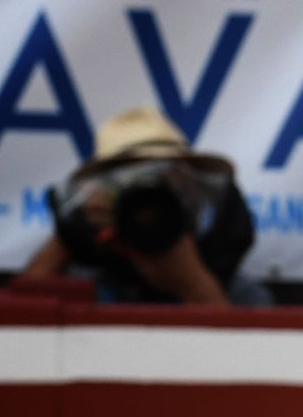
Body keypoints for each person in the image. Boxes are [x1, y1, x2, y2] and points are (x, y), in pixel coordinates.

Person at [19, 108, 256, 305]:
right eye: (126, 186)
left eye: (168, 182)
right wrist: (70, 231)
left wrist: (194, 284)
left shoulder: (240, 293)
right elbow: (19, 324)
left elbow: (237, 356)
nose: (148, 204)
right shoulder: (86, 284)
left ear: (193, 188)